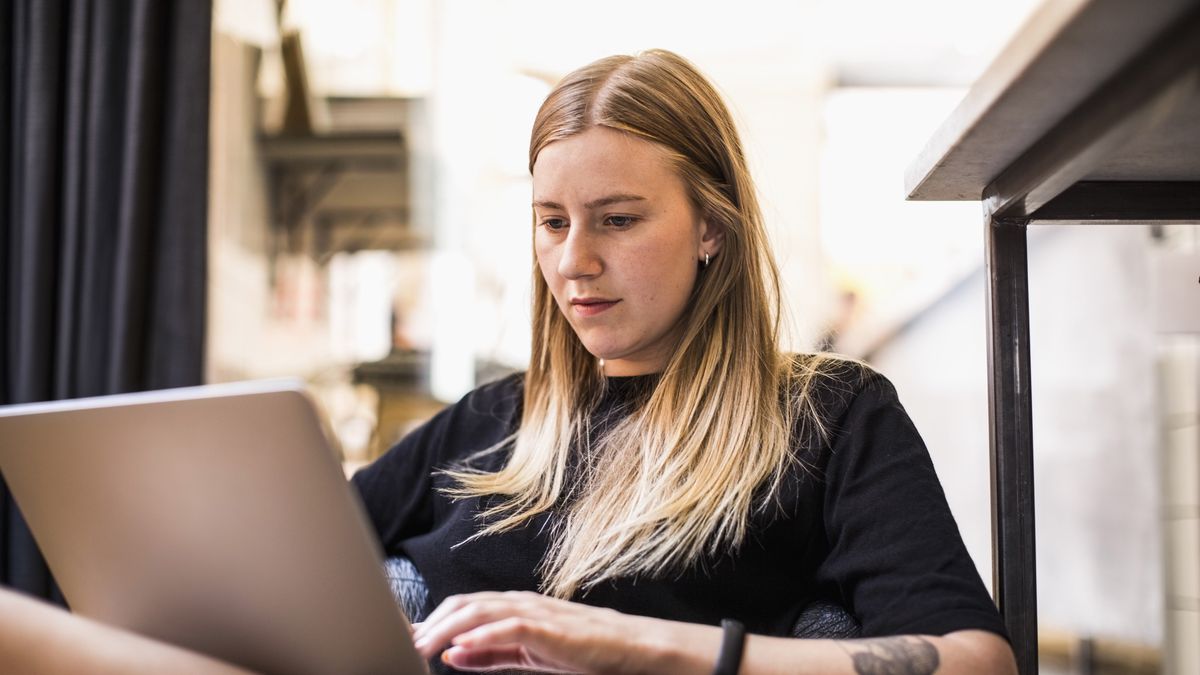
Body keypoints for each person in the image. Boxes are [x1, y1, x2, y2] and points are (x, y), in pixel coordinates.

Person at [351, 49, 1017, 674]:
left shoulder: (827, 416)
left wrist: (638, 642)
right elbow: (301, 564)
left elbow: (975, 659)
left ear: (711, 227)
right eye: (553, 222)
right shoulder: (492, 418)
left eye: (617, 220)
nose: (573, 261)